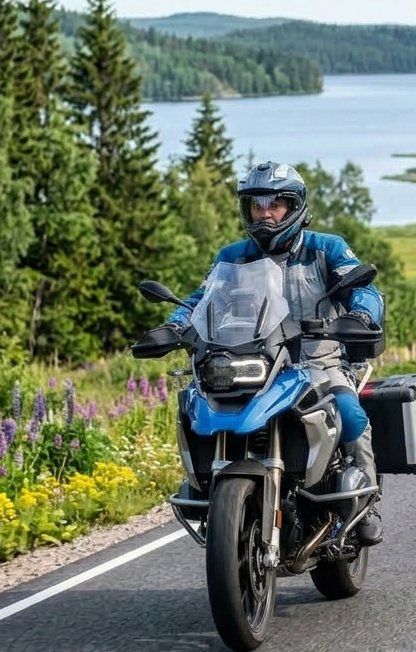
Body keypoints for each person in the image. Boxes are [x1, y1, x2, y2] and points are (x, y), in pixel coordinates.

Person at [158, 161, 385, 546]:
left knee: (348, 412)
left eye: (275, 204)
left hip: (317, 362)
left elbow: (361, 287)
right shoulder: (232, 256)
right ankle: (210, 493)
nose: (265, 212)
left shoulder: (326, 248)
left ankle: (367, 501)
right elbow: (202, 299)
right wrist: (176, 325)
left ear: (294, 206)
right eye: (256, 204)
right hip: (253, 363)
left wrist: (362, 313)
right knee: (200, 408)